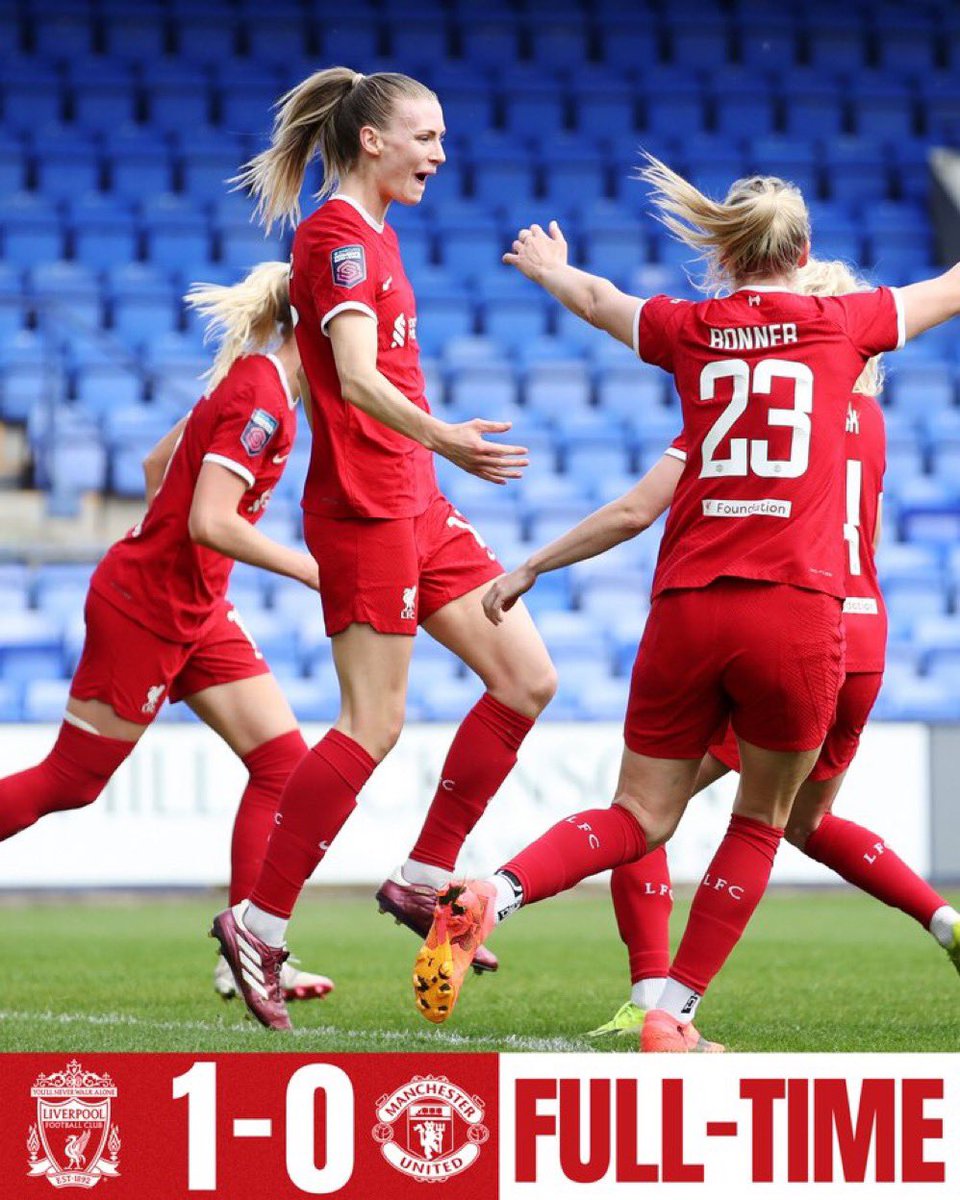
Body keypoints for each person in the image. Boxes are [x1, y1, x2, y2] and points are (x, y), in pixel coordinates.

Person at [412, 157, 960, 1050]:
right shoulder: (845, 326)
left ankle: (490, 893)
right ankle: (672, 1014)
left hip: (687, 606)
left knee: (637, 815)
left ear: (728, 253)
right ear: (806, 251)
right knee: (762, 818)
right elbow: (948, 287)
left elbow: (601, 302)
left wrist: (551, 271)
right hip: (798, 611)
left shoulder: (692, 327)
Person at [211, 68, 557, 1031]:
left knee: (526, 679)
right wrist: (445, 434)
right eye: (427, 136)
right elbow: (356, 378)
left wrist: (435, 458)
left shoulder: (376, 236)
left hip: (417, 501)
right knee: (373, 723)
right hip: (367, 506)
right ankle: (259, 922)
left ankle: (420, 878)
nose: (440, 155)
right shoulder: (334, 238)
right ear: (372, 141)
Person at [0, 262, 332, 1005]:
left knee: (284, 763)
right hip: (146, 610)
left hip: (195, 608)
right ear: (315, 329)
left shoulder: (252, 382)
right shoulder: (263, 401)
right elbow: (208, 519)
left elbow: (160, 466)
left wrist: (176, 560)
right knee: (71, 783)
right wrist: (311, 571)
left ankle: (245, 951)